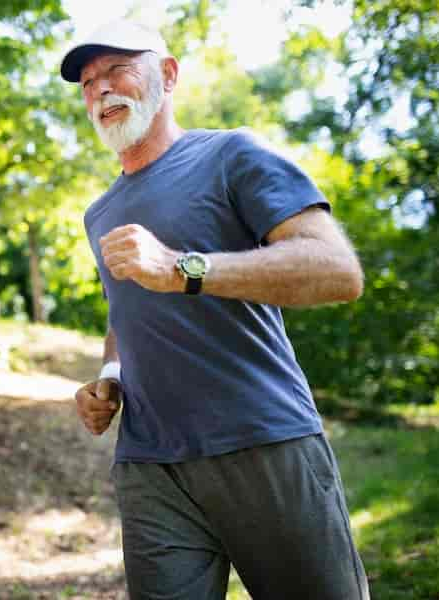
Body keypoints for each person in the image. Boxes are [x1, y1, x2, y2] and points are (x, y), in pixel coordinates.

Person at [60, 18, 370, 600]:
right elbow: (124, 312)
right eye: (87, 82)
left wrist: (183, 269)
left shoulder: (232, 154)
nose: (99, 90)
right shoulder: (99, 213)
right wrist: (108, 378)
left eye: (116, 70)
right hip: (150, 464)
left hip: (261, 439)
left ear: (168, 75)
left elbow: (337, 270)